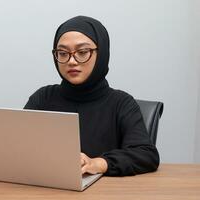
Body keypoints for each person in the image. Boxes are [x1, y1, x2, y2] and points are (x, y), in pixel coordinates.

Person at [24, 16, 159, 176]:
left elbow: (146, 154)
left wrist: (99, 163)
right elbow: (18, 145)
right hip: (50, 187)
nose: (72, 61)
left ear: (101, 53)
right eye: (62, 53)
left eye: (82, 52)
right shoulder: (43, 98)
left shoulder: (121, 103)